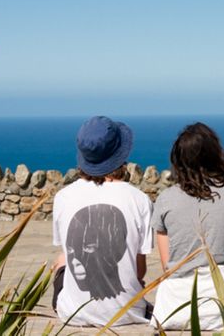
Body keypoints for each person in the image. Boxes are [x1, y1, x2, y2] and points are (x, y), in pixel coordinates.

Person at [150, 122, 224, 330]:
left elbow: (167, 266)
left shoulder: (165, 198)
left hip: (175, 308)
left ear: (178, 159)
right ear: (216, 154)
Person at [51, 116, 154, 326]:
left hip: (72, 314)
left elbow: (66, 257)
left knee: (61, 259)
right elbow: (140, 270)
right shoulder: (139, 200)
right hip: (128, 312)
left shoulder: (63, 197)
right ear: (120, 155)